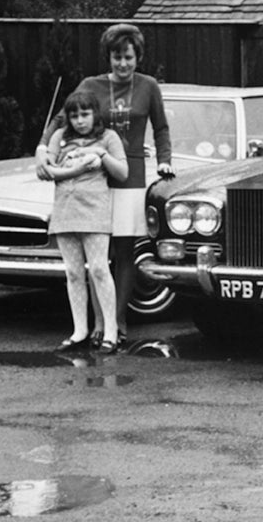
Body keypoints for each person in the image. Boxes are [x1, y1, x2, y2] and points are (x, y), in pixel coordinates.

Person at [35, 23, 174, 347]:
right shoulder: (90, 85)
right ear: (108, 57)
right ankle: (97, 323)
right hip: (93, 180)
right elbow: (60, 119)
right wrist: (43, 148)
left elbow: (162, 127)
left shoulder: (149, 86)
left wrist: (165, 159)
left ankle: (118, 320)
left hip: (130, 175)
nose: (123, 64)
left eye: (128, 57)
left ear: (138, 56)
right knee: (98, 255)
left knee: (124, 252)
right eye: (116, 57)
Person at [43, 91, 128, 354]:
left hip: (94, 210)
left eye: (85, 114)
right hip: (65, 208)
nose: (80, 121)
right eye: (74, 115)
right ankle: (79, 330)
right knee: (73, 272)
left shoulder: (108, 137)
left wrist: (100, 154)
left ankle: (110, 331)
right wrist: (77, 169)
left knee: (100, 269)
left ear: (95, 114)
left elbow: (123, 173)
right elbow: (48, 170)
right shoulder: (60, 137)